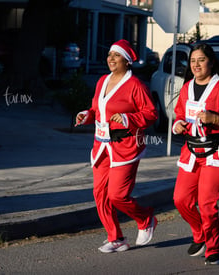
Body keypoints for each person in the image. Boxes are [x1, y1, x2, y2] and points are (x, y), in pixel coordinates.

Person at [75, 39, 158, 253]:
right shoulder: (103, 80)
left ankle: (146, 218)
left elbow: (151, 114)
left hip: (126, 146)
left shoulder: (136, 86)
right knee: (100, 194)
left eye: (116, 55)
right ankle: (116, 237)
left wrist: (129, 119)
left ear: (127, 60)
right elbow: (96, 109)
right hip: (101, 146)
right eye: (110, 54)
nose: (110, 58)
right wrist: (86, 115)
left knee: (117, 195)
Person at [172, 43, 219, 265]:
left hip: (216, 152)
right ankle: (200, 233)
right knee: (180, 199)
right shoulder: (186, 88)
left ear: (211, 62)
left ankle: (214, 248)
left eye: (201, 60)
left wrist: (216, 119)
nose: (196, 65)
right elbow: (178, 115)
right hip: (191, 151)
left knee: (206, 203)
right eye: (193, 61)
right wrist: (179, 125)